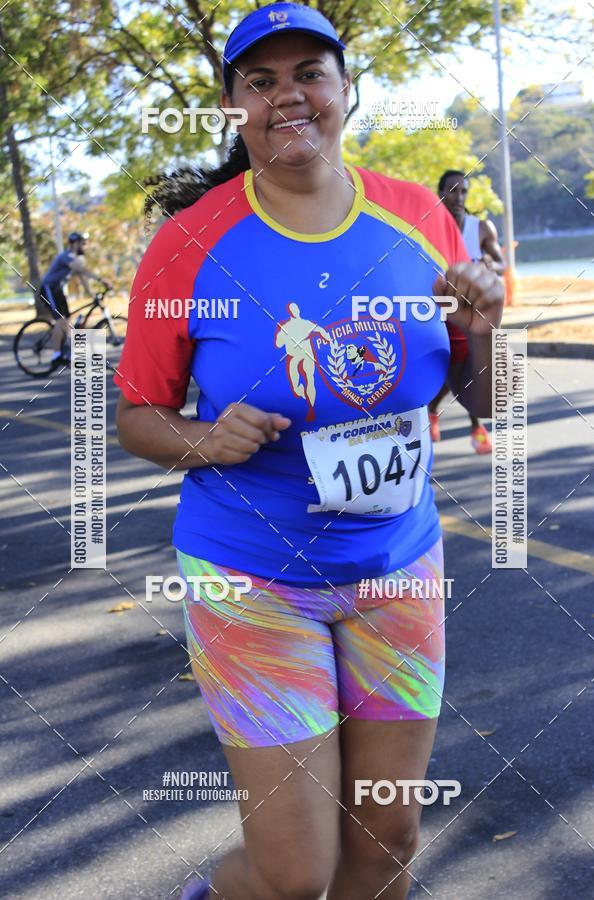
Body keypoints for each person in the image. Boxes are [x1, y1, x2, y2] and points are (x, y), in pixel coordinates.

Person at [114, 4, 504, 899]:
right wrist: (203, 439)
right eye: (261, 81)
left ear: (344, 90)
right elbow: (137, 416)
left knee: (387, 840)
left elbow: (489, 402)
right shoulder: (189, 244)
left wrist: (484, 332)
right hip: (251, 578)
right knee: (294, 876)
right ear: (232, 107)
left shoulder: (418, 216)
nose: (287, 95)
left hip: (398, 569)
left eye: (309, 74)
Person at [428, 170, 505, 454]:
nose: (458, 197)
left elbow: (501, 264)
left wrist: (488, 265)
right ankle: (434, 412)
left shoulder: (481, 227)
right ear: (440, 193)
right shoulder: (427, 226)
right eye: (452, 190)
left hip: (475, 313)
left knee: (469, 367)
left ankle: (475, 428)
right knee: (449, 369)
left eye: (463, 191)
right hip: (439, 311)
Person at [39, 231, 112, 364]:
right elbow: (83, 270)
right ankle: (56, 355)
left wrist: (92, 295)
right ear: (75, 243)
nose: (85, 246)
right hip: (48, 288)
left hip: (58, 290)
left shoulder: (75, 259)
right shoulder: (67, 256)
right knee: (60, 321)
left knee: (67, 320)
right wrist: (102, 280)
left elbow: (82, 277)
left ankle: (65, 351)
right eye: (83, 243)